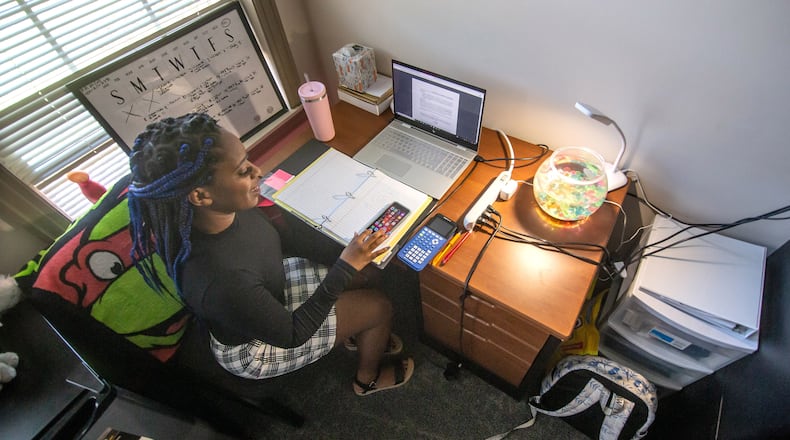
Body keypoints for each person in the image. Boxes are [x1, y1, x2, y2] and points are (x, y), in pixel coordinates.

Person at [127, 112, 413, 396]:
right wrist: (345, 266)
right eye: (243, 171)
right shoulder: (219, 280)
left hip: (270, 289)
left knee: (368, 274)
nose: (258, 171)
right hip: (260, 346)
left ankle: (359, 332)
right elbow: (292, 334)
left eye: (248, 160)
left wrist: (345, 258)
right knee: (379, 306)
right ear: (201, 195)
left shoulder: (227, 211)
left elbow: (274, 245)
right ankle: (367, 379)